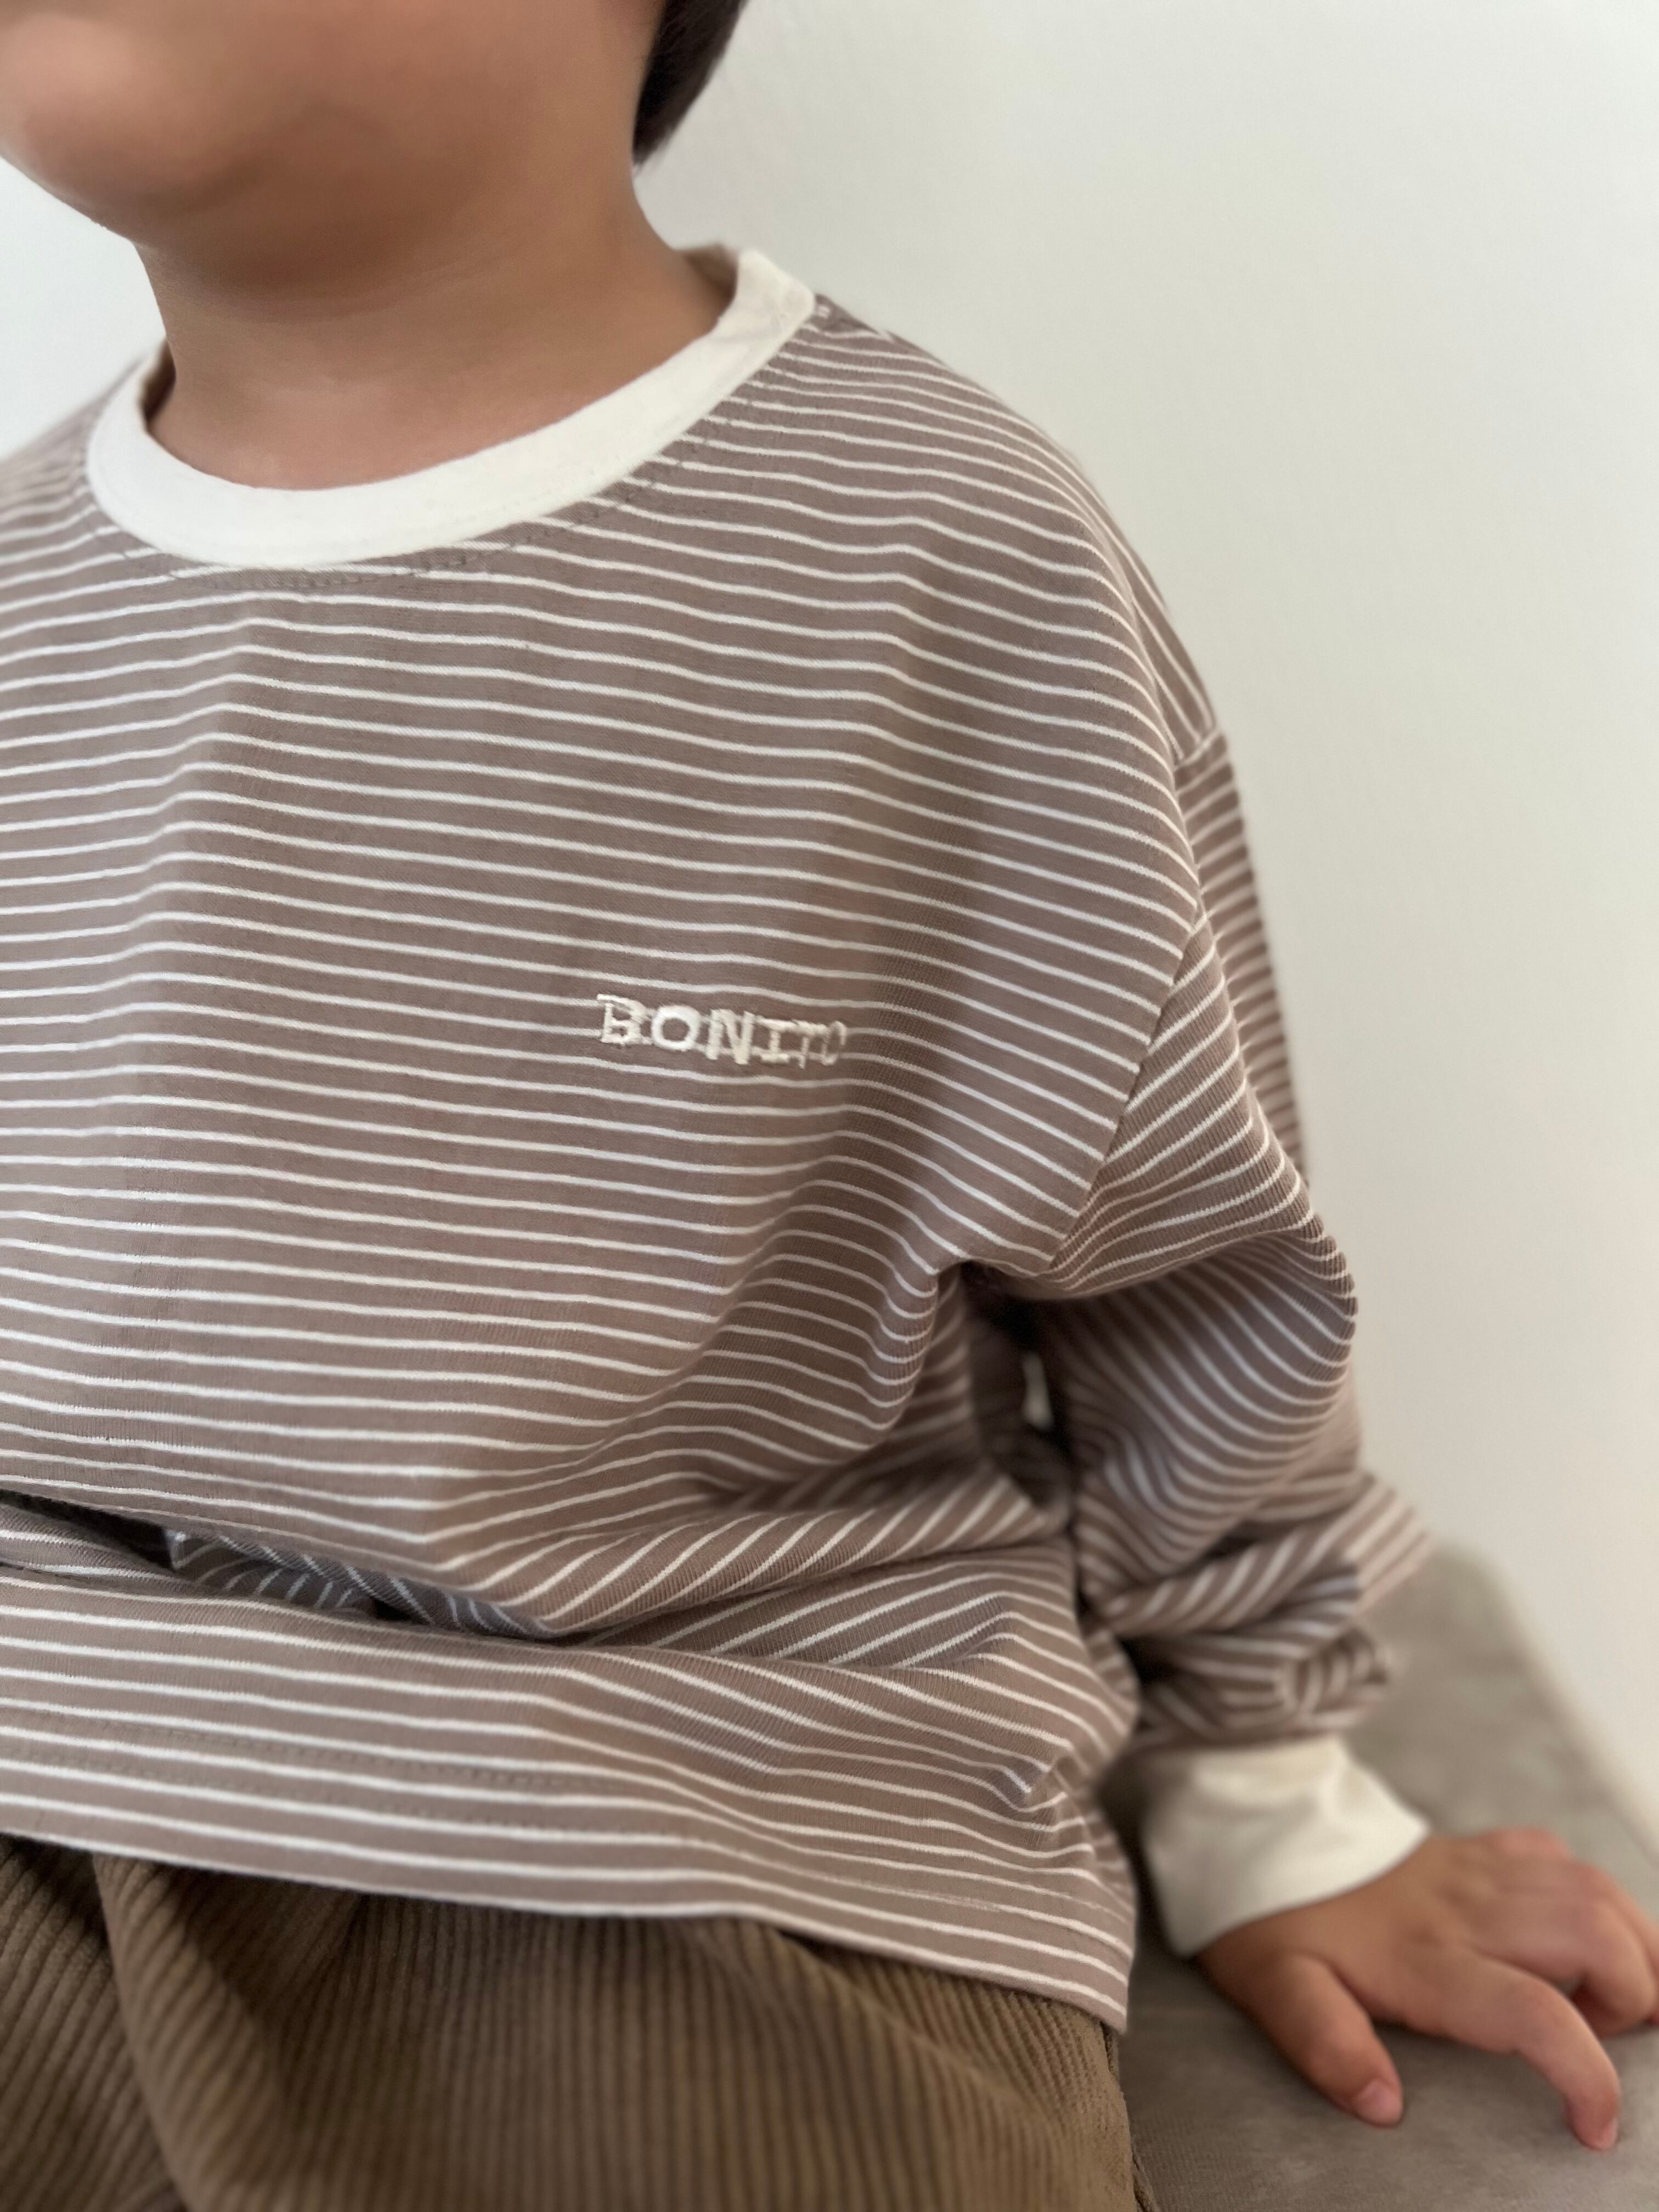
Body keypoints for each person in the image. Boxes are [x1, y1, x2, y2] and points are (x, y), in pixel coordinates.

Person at [0, 3, 1653, 2206]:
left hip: (711, 1826)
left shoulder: (938, 557)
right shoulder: (24, 583)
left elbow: (1191, 1267)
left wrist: (1268, 1790)